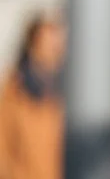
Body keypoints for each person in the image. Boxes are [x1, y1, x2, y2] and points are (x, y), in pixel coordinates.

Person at [0, 11, 66, 179]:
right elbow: (4, 146)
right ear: (33, 42)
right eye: (49, 39)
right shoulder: (15, 89)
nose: (55, 46)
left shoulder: (66, 88)